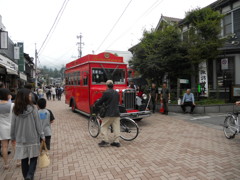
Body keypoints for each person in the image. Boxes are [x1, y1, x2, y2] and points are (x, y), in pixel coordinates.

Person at [11, 88, 45, 180]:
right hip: (32, 136)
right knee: (34, 157)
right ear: (25, 97)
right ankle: (30, 175)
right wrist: (42, 135)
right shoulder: (33, 108)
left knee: (24, 159)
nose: (31, 97)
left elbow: (13, 125)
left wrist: (13, 137)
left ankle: (26, 176)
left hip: (20, 138)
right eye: (29, 95)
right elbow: (38, 123)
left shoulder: (15, 109)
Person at [95, 80, 121, 147]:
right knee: (116, 127)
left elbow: (101, 101)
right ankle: (116, 142)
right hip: (117, 112)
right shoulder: (117, 93)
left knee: (103, 126)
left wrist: (96, 104)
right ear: (113, 85)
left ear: (106, 86)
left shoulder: (106, 93)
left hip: (109, 113)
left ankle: (105, 141)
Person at [0, 88, 14, 169]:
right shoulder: (12, 105)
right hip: (11, 127)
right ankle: (19, 161)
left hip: (2, 128)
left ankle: (6, 164)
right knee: (14, 144)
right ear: (8, 95)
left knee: (4, 146)